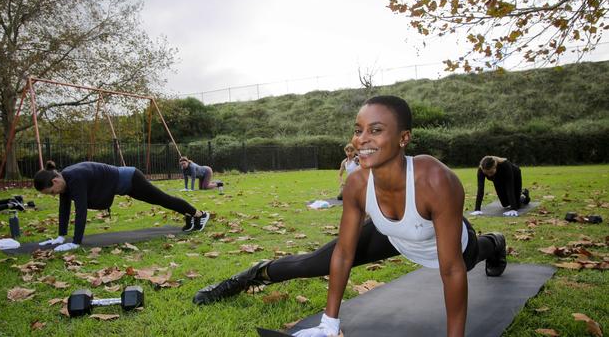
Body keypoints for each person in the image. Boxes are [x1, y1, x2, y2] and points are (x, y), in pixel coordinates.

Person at [193, 96, 507, 337]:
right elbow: (343, 253)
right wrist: (329, 325)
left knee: (471, 259)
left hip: (441, 242)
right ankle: (245, 277)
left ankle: (495, 242)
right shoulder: (358, 182)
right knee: (314, 262)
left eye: (376, 130)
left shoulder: (434, 179)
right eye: (358, 130)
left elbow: (451, 270)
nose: (362, 140)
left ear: (404, 138)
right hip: (394, 235)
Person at [33, 161, 210, 252]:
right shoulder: (66, 182)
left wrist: (76, 243)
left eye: (51, 192)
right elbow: (64, 208)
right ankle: (191, 214)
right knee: (161, 200)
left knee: (162, 199)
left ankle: (199, 214)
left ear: (55, 181)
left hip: (131, 178)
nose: (54, 195)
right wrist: (60, 236)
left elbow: (81, 210)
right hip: (126, 186)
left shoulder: (75, 178)